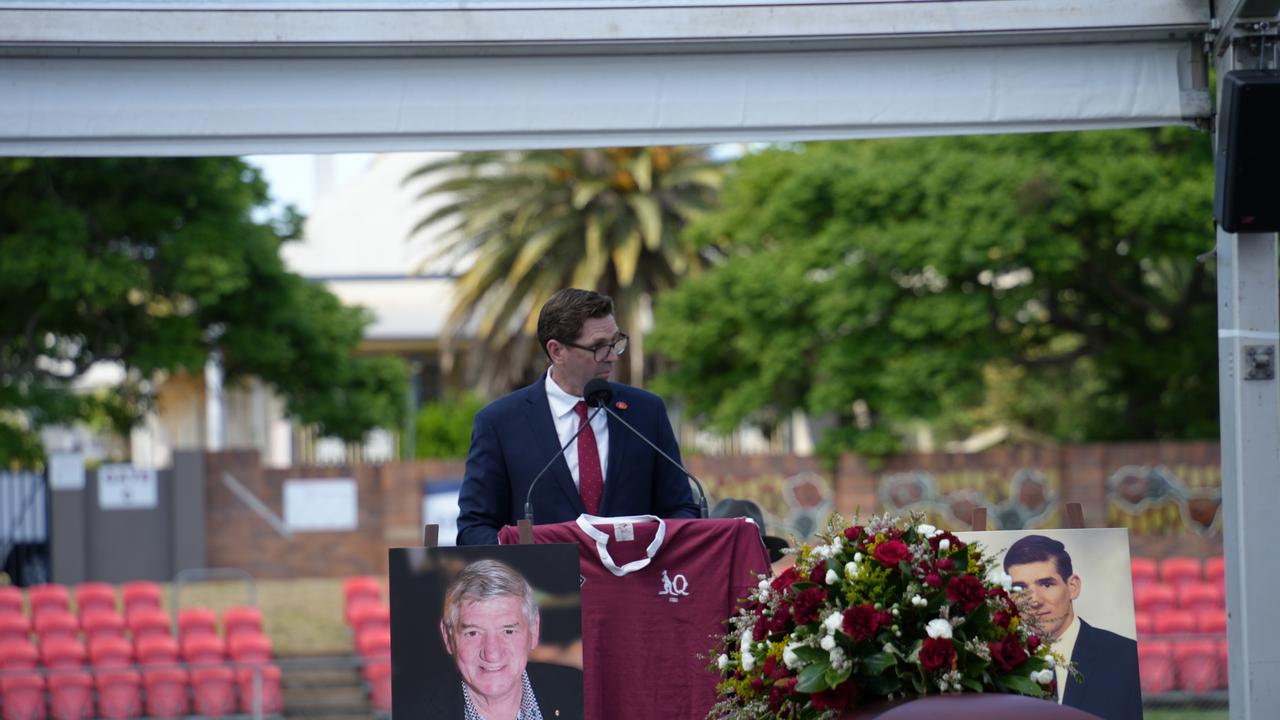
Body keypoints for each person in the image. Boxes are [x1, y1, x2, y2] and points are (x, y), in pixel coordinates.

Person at [456, 288, 699, 546]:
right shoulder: (499, 423)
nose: (612, 357)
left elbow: (681, 509)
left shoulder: (646, 412)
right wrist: (522, 563)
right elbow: (475, 527)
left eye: (615, 342)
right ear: (556, 351)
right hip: (545, 583)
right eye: (598, 347)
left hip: (634, 579)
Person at [1003, 535, 1143, 720]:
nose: (1034, 600)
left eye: (1046, 584)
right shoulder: (999, 665)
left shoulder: (1127, 657)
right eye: (1020, 589)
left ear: (1073, 587)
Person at [436, 559, 583, 720]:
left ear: (533, 631)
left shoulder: (580, 691)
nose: (492, 654)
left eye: (508, 631)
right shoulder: (409, 712)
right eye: (473, 633)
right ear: (448, 637)